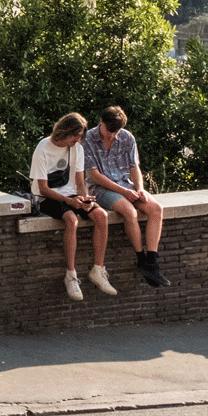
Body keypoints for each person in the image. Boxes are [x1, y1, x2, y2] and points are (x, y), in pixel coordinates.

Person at [81, 106, 170, 288]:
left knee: (155, 209)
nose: (112, 135)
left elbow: (134, 167)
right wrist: (125, 193)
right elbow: (95, 175)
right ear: (101, 122)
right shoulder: (88, 139)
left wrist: (140, 189)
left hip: (125, 184)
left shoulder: (127, 137)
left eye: (116, 132)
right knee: (129, 211)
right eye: (109, 131)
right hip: (99, 188)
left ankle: (151, 262)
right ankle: (140, 258)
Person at [31, 113, 115, 301]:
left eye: (80, 136)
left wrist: (85, 199)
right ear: (64, 131)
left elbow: (79, 181)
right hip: (47, 197)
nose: (78, 140)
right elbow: (43, 188)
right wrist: (69, 201)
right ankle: (71, 275)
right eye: (75, 136)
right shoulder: (43, 148)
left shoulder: (77, 148)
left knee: (101, 215)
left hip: (71, 194)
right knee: (71, 220)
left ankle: (98, 270)